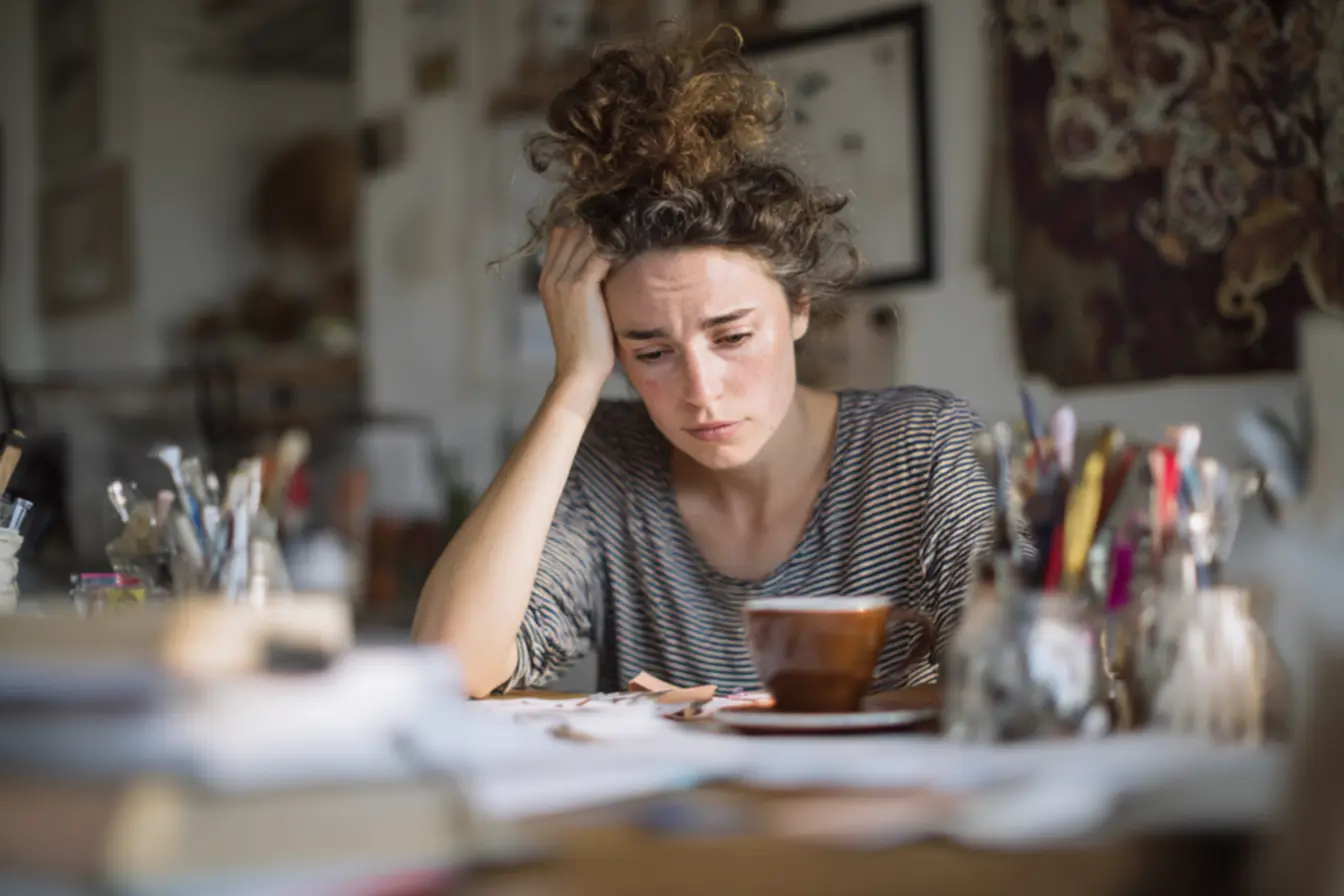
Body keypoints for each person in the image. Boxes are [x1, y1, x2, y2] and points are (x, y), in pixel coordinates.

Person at [413, 26, 999, 698]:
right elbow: (449, 670)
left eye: (733, 337)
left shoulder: (919, 448)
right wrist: (573, 383)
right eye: (652, 351)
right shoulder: (606, 463)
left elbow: (1021, 677)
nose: (701, 390)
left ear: (799, 308)